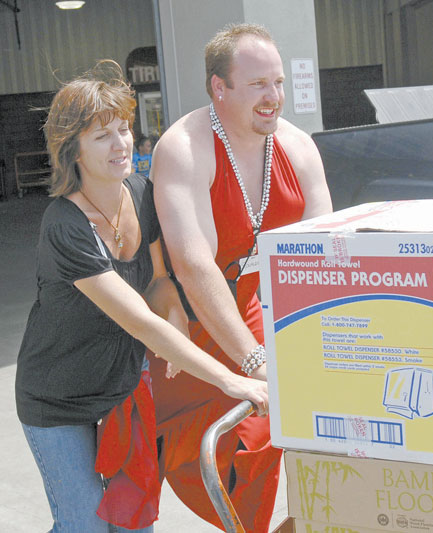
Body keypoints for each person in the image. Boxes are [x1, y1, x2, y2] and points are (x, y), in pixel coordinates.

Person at [14, 60, 268, 533]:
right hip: (58, 399)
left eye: (124, 129)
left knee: (133, 523)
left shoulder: (140, 192)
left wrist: (174, 314)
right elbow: (137, 321)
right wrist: (231, 380)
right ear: (73, 152)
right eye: (102, 136)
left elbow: (155, 280)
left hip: (121, 389)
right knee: (85, 526)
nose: (121, 144)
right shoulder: (65, 227)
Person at [149, 23, 332, 532]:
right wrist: (254, 362)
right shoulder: (184, 147)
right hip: (193, 322)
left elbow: (324, 255)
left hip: (254, 309)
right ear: (219, 88)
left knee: (287, 433)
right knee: (228, 446)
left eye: (278, 83)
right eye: (257, 85)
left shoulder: (296, 147)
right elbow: (193, 266)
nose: (273, 97)